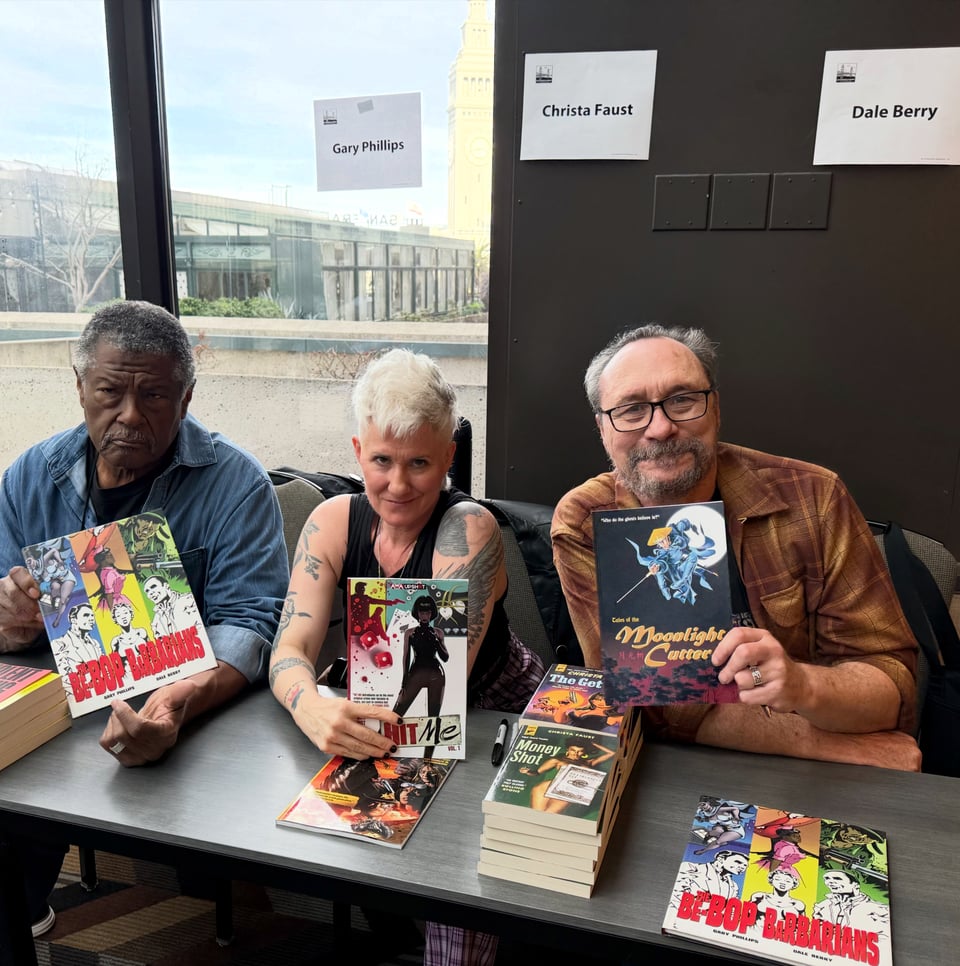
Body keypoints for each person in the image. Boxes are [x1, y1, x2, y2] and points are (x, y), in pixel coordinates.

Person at [0, 300, 288, 940]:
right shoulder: (28, 477)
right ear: (80, 388)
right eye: (109, 391)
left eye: (154, 395)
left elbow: (251, 626)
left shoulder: (235, 484)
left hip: (197, 705)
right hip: (56, 705)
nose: (130, 414)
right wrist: (9, 617)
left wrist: (178, 700)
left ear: (186, 398)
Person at [269, 347, 544, 966]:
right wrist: (310, 704)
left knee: (460, 871)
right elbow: (289, 649)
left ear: (449, 457)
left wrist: (338, 706)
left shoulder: (467, 528)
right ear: (357, 450)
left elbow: (431, 698)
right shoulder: (332, 520)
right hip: (403, 713)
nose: (397, 484)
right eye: (382, 461)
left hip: (497, 710)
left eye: (419, 462)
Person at [552, 324, 920, 770]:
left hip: (817, 780)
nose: (661, 427)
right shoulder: (584, 521)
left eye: (683, 400)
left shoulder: (814, 497)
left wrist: (802, 685)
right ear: (603, 429)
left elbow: (891, 686)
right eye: (631, 410)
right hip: (671, 768)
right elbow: (644, 702)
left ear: (716, 409)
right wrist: (820, 744)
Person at [812, 870, 890, 936]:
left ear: (855, 885)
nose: (830, 882)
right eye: (827, 878)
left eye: (837, 878)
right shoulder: (823, 906)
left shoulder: (877, 909)